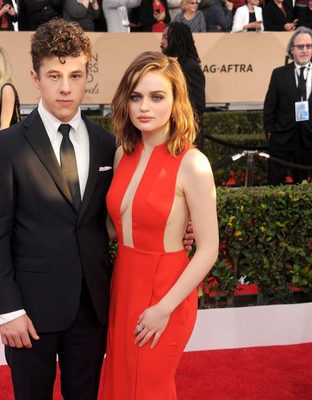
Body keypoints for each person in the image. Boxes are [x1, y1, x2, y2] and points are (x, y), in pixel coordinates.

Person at [0, 19, 116, 400]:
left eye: (75, 74)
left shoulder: (108, 144)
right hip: (29, 312)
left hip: (91, 310)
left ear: (87, 74)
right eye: (54, 75)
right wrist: (7, 311)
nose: (66, 87)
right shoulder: (7, 147)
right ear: (35, 77)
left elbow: (120, 213)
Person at [102, 51, 219, 399]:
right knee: (120, 381)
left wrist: (164, 308)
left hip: (166, 290)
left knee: (150, 386)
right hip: (123, 282)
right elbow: (117, 226)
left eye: (157, 97)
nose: (144, 107)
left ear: (175, 100)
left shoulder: (193, 163)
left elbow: (208, 248)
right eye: (136, 96)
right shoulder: (123, 152)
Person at [263, 26, 312, 184]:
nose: (304, 50)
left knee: (303, 188)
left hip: (309, 140)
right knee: (274, 184)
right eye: (300, 46)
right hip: (282, 139)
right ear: (292, 49)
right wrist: (270, 132)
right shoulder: (279, 74)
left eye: (309, 46)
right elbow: (269, 107)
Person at [161, 22, 206, 149]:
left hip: (186, 135)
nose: (161, 42)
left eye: (165, 37)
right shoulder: (172, 65)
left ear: (176, 39)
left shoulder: (190, 67)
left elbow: (198, 105)